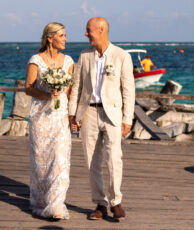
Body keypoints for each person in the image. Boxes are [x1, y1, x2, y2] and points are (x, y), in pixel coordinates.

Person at [69, 17, 135, 220]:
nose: (86, 34)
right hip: (88, 112)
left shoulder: (121, 56)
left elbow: (128, 90)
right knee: (92, 161)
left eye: (88, 30)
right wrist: (73, 114)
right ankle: (99, 203)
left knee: (114, 159)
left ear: (101, 29)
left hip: (112, 115)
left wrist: (127, 119)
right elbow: (77, 86)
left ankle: (116, 202)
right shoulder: (84, 55)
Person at [25, 22, 74, 220]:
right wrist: (47, 95)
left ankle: (56, 205)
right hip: (40, 116)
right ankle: (41, 202)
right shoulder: (36, 60)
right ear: (50, 38)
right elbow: (28, 88)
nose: (65, 39)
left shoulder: (69, 61)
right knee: (41, 161)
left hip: (60, 115)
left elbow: (70, 92)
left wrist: (73, 117)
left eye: (65, 35)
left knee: (60, 160)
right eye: (61, 35)